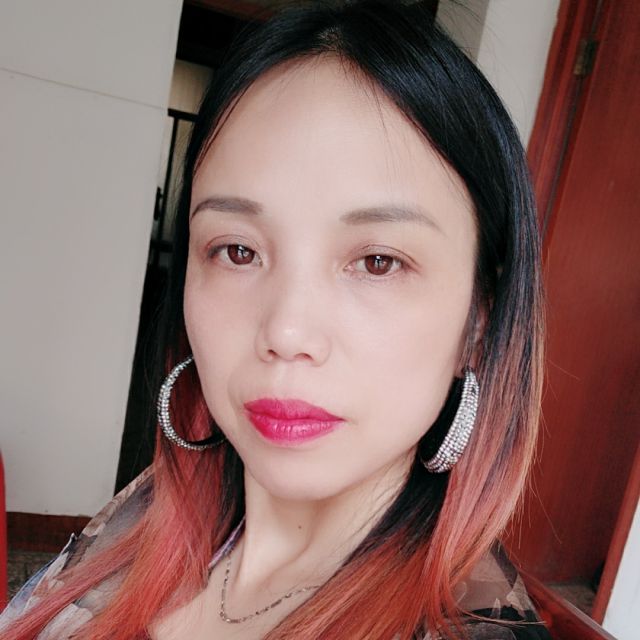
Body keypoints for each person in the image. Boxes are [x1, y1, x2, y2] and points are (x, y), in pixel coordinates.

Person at [1, 1, 551, 638]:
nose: (286, 333)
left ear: (479, 320)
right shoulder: (142, 512)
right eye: (238, 251)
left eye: (377, 261)